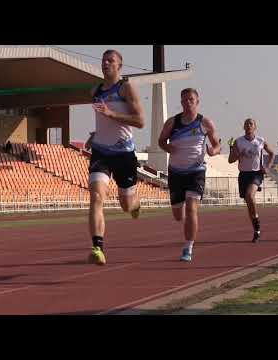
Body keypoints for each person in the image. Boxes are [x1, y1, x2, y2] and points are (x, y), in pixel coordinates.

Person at [87, 49, 145, 265]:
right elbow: (103, 122)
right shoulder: (95, 90)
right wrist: (95, 135)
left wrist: (112, 114)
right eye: (103, 60)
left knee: (126, 205)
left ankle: (136, 204)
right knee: (96, 197)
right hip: (101, 151)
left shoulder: (126, 87)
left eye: (111, 60)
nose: (106, 63)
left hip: (124, 153)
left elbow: (140, 121)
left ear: (119, 65)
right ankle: (97, 247)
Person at [158, 88, 221, 262]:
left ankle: (188, 247)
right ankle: (185, 221)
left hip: (196, 171)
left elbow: (217, 146)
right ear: (181, 102)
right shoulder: (172, 122)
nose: (188, 103)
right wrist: (168, 147)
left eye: (191, 100)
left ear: (197, 101)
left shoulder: (205, 123)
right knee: (178, 214)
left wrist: (213, 151)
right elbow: (161, 141)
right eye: (184, 100)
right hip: (176, 172)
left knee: (192, 208)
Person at [228, 118, 275, 243]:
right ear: (243, 127)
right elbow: (230, 159)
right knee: (249, 204)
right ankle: (256, 228)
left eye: (251, 124)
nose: (248, 126)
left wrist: (267, 167)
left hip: (256, 173)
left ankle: (257, 228)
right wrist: (238, 154)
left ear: (255, 127)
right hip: (243, 174)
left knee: (249, 196)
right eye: (246, 124)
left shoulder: (260, 140)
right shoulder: (238, 141)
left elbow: (272, 153)